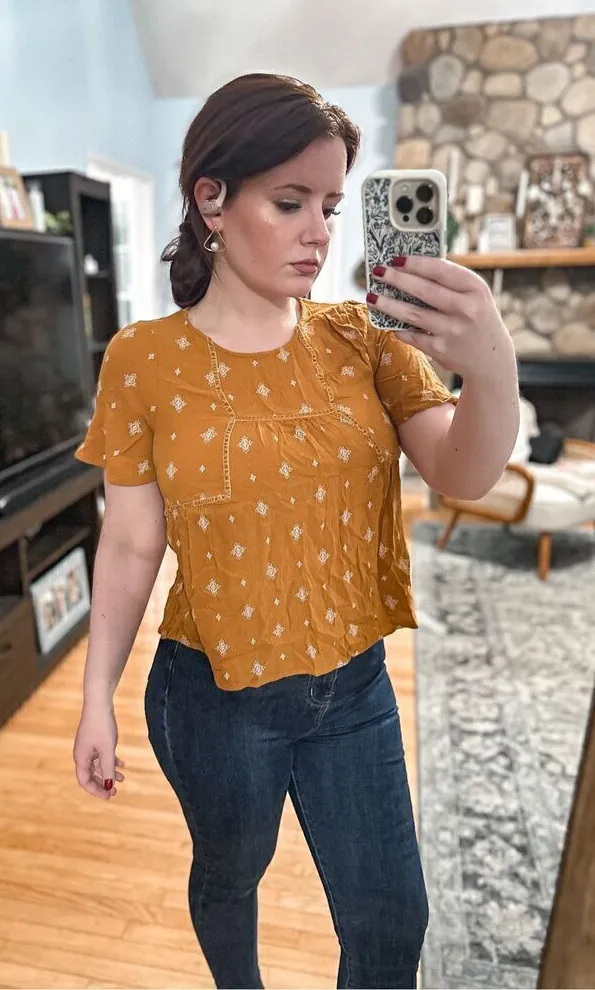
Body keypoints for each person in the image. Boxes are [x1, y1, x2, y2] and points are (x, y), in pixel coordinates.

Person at [73, 73, 519, 990]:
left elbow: (464, 474)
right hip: (213, 699)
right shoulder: (142, 360)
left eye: (331, 205)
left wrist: (491, 364)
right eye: (290, 202)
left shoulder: (365, 339)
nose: (320, 231)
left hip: (354, 689)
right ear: (212, 200)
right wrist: (95, 697)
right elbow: (129, 542)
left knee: (392, 922)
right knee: (230, 874)